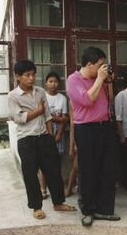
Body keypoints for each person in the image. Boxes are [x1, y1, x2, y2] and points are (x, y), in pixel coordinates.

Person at [8, 60, 76, 219]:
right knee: (30, 175)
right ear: (18, 77)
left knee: (54, 172)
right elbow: (20, 118)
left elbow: (48, 117)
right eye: (27, 75)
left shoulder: (40, 91)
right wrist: (38, 110)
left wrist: (51, 137)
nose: (31, 78)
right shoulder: (13, 96)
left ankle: (58, 203)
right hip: (26, 140)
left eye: (33, 74)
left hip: (45, 137)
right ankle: (36, 207)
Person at [66, 46, 120, 226]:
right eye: (100, 65)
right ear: (89, 64)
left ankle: (105, 209)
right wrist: (100, 80)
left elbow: (110, 100)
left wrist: (108, 82)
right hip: (86, 129)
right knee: (88, 170)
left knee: (108, 169)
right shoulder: (73, 80)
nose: (103, 68)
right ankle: (88, 210)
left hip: (105, 126)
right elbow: (88, 100)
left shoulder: (100, 79)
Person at [38, 72, 69, 199]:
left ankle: (57, 189)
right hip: (44, 130)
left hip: (59, 132)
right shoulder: (42, 96)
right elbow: (42, 117)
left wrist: (59, 134)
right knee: (44, 162)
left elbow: (65, 118)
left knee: (57, 163)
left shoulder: (62, 98)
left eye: (55, 81)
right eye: (50, 81)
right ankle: (43, 189)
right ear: (46, 83)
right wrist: (57, 118)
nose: (53, 84)